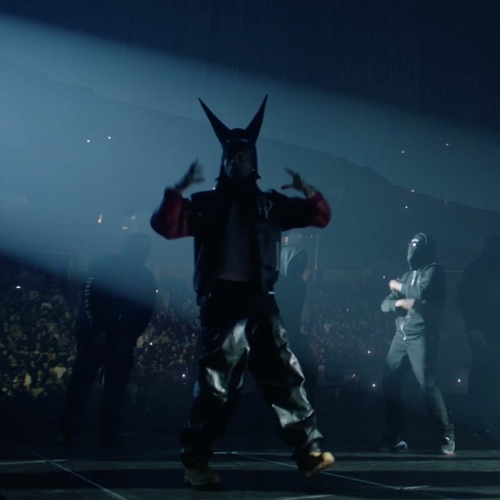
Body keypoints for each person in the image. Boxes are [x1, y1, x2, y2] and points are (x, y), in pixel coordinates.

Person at [150, 96, 334, 489]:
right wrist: (180, 188)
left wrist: (307, 188)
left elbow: (320, 216)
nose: (237, 161)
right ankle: (196, 460)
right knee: (217, 388)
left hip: (261, 302)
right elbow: (165, 226)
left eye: (243, 155)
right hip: (221, 305)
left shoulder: (270, 204)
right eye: (231, 156)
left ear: (253, 161)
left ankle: (308, 452)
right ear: (224, 162)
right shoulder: (204, 204)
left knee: (285, 378)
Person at [59, 232, 157, 446]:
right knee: (84, 385)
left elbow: (146, 311)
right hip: (99, 337)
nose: (143, 253)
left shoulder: (143, 276)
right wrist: (98, 330)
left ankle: (103, 432)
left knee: (113, 388)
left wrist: (128, 336)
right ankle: (69, 429)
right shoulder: (107, 267)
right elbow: (89, 297)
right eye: (140, 248)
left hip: (117, 340)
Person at [379, 233, 455, 455]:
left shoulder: (434, 271)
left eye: (416, 248)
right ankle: (395, 435)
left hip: (422, 336)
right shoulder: (407, 275)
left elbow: (422, 293)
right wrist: (401, 303)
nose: (412, 252)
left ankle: (446, 434)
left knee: (427, 386)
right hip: (400, 337)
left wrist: (397, 286)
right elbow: (384, 304)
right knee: (389, 382)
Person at [457, 233, 500, 445]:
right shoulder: (476, 270)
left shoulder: (476, 269)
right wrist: (473, 327)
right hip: (485, 331)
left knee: (487, 377)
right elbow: (466, 301)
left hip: (487, 330)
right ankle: (481, 425)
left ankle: (487, 425)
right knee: (484, 377)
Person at [275, 246, 318, 402]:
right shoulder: (280, 283)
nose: (299, 267)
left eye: (301, 264)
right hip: (279, 332)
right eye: (296, 263)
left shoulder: (298, 285)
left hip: (291, 332)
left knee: (308, 370)